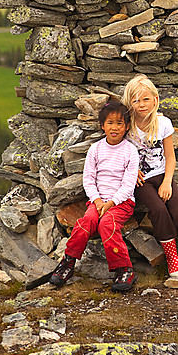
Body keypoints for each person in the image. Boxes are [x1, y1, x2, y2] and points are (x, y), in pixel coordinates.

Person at [50, 99, 139, 293]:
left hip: (121, 202)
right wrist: (98, 201)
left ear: (126, 127)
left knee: (108, 224)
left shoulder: (130, 151)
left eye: (119, 123)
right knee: (86, 222)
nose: (114, 128)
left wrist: (111, 203)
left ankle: (125, 269)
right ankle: (68, 263)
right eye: (110, 123)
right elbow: (88, 180)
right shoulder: (96, 149)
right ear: (102, 125)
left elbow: (128, 184)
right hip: (97, 201)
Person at [122, 74, 178, 279]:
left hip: (161, 175)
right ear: (129, 102)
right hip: (141, 180)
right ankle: (173, 257)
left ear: (155, 99)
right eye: (135, 100)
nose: (141, 104)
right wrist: (131, 170)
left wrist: (167, 182)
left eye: (146, 99)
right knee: (157, 209)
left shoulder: (163, 123)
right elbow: (119, 152)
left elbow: (170, 157)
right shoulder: (127, 126)